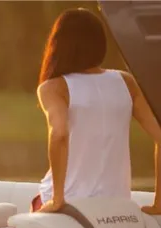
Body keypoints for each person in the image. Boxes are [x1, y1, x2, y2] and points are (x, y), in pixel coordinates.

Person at [33, 8, 161, 215]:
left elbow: (59, 134)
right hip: (116, 206)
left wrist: (57, 200)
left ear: (59, 44)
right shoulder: (126, 82)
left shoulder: (54, 87)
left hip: (70, 206)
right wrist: (159, 203)